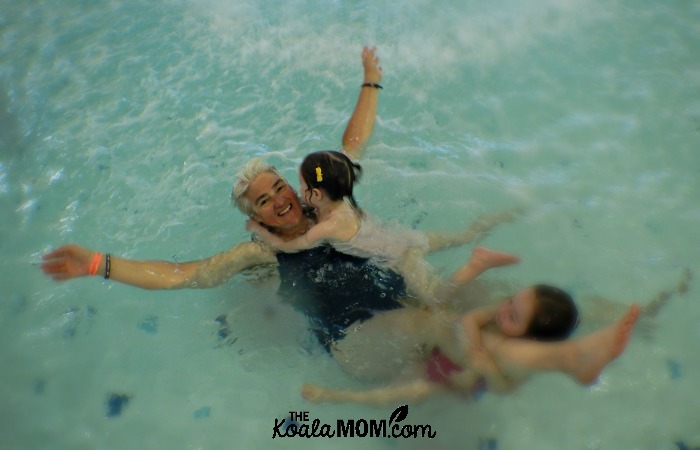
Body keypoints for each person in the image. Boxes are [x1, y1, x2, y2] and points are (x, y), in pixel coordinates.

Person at [40, 46, 639, 390]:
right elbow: (181, 273)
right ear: (254, 216)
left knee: (505, 294)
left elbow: (354, 141)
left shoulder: (333, 200)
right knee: (439, 321)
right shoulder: (261, 252)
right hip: (357, 343)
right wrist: (98, 263)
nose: (279, 199)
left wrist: (371, 78)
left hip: (403, 307)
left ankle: (622, 319)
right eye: (262, 201)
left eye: (279, 186)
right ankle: (559, 361)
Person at [246, 149, 520, 303]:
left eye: (303, 186)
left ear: (316, 194)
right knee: (463, 236)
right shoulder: (343, 201)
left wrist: (259, 230)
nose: (298, 190)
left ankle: (476, 265)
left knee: (437, 298)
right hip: (405, 237)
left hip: (401, 257)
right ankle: (499, 218)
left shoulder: (325, 226)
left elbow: (289, 245)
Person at [301, 289, 639, 406]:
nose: (504, 309)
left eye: (514, 315)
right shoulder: (501, 317)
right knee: (434, 327)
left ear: (528, 335)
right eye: (511, 302)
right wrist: (477, 340)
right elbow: (471, 320)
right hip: (446, 353)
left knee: (409, 390)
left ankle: (341, 398)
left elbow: (502, 389)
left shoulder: (515, 360)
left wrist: (484, 366)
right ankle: (575, 356)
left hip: (454, 379)